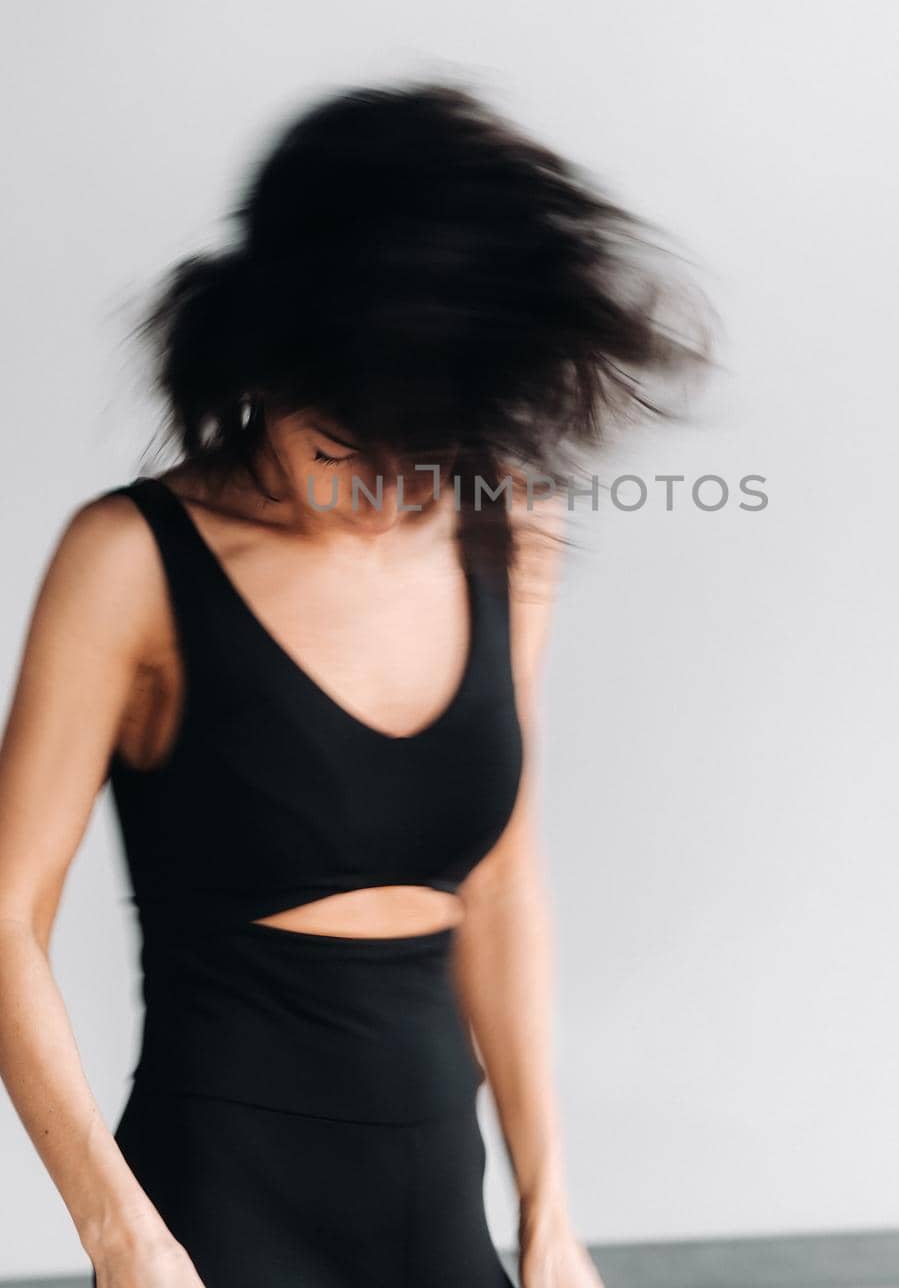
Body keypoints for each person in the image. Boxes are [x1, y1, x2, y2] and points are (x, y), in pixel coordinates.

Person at [0, 82, 709, 1286]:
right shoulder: (131, 560)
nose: (390, 486)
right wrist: (123, 1237)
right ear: (262, 360)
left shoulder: (502, 529)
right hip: (213, 1208)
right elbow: (7, 913)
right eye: (348, 438)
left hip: (442, 1206)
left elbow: (501, 883)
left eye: (422, 447)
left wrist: (549, 1213)